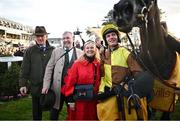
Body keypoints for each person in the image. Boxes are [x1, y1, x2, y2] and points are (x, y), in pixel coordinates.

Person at [96, 23, 153, 120]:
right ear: (105, 40)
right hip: (108, 94)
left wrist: (127, 84)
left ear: (117, 37)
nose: (111, 37)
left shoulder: (125, 52)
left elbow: (137, 72)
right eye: (108, 36)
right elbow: (102, 74)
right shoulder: (104, 54)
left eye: (113, 35)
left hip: (124, 94)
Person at [41, 31, 83, 120]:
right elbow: (49, 68)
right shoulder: (56, 51)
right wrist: (46, 85)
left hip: (73, 90)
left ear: (73, 39)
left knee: (73, 112)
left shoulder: (80, 53)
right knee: (54, 112)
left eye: (68, 38)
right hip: (57, 89)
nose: (65, 40)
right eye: (64, 38)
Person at [19, 26, 54, 120]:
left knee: (53, 112)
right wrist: (23, 84)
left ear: (46, 36)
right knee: (36, 113)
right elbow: (24, 68)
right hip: (35, 87)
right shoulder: (29, 51)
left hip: (51, 87)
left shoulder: (53, 50)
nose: (39, 38)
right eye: (37, 36)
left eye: (42, 35)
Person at [61, 40, 101, 120]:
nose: (90, 49)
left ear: (95, 49)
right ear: (84, 50)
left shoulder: (98, 64)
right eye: (87, 48)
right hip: (79, 100)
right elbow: (69, 82)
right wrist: (70, 100)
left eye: (92, 47)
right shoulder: (77, 64)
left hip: (93, 100)